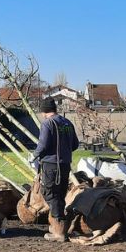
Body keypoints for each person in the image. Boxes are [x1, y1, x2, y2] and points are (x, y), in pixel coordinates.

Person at [31, 97, 79, 241]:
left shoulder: (47, 123)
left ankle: (59, 232)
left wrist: (34, 155)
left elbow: (43, 145)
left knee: (50, 193)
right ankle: (61, 226)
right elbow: (75, 144)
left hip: (51, 165)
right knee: (59, 193)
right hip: (65, 165)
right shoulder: (67, 123)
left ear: (43, 110)